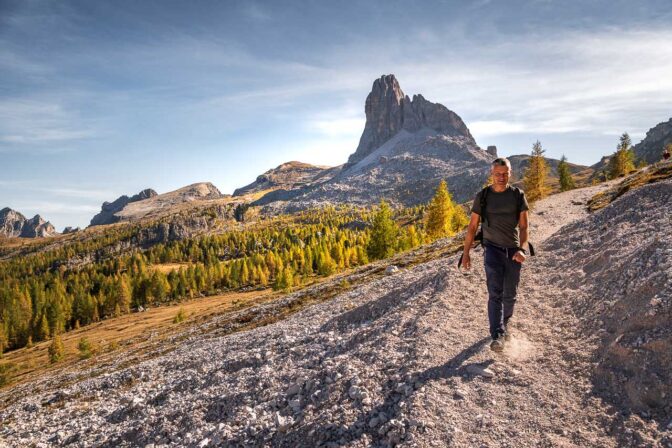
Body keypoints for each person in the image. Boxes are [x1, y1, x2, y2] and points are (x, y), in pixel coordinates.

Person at [460, 158, 530, 352]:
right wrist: (466, 253)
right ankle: (497, 335)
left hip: (513, 251)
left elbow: (524, 226)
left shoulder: (518, 195)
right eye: (498, 173)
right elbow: (473, 227)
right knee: (495, 293)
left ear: (510, 173)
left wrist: (522, 249)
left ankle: (506, 324)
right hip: (491, 250)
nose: (501, 177)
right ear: (491, 174)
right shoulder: (482, 196)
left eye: (505, 173)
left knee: (511, 294)